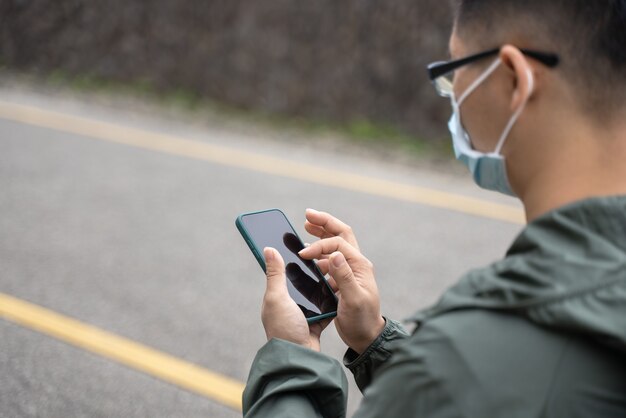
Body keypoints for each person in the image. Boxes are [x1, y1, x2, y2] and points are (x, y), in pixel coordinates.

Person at [242, 1, 626, 416]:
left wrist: (292, 358)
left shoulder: (469, 354)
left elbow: (463, 388)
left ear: (514, 79)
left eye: (455, 73)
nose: (453, 96)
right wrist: (375, 340)